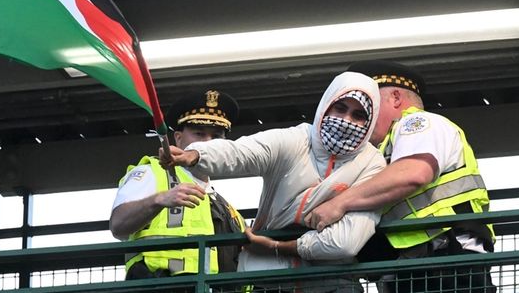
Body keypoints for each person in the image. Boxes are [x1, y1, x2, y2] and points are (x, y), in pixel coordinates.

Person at [163, 72, 386, 291]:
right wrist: (197, 155)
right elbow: (244, 152)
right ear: (326, 106)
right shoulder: (295, 139)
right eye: (340, 108)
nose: (346, 121)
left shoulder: (372, 164)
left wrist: (277, 247)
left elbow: (345, 242)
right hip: (269, 280)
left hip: (332, 283)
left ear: (370, 121)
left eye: (358, 116)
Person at [305, 60, 496, 292]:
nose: (363, 117)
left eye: (369, 104)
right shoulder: (379, 150)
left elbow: (414, 173)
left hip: (446, 265)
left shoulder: (417, 123)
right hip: (411, 270)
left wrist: (339, 203)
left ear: (396, 98)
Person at [110, 89, 246, 287]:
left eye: (216, 136)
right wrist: (160, 199)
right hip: (162, 287)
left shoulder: (229, 211)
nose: (208, 143)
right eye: (199, 134)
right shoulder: (153, 172)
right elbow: (118, 225)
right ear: (178, 138)